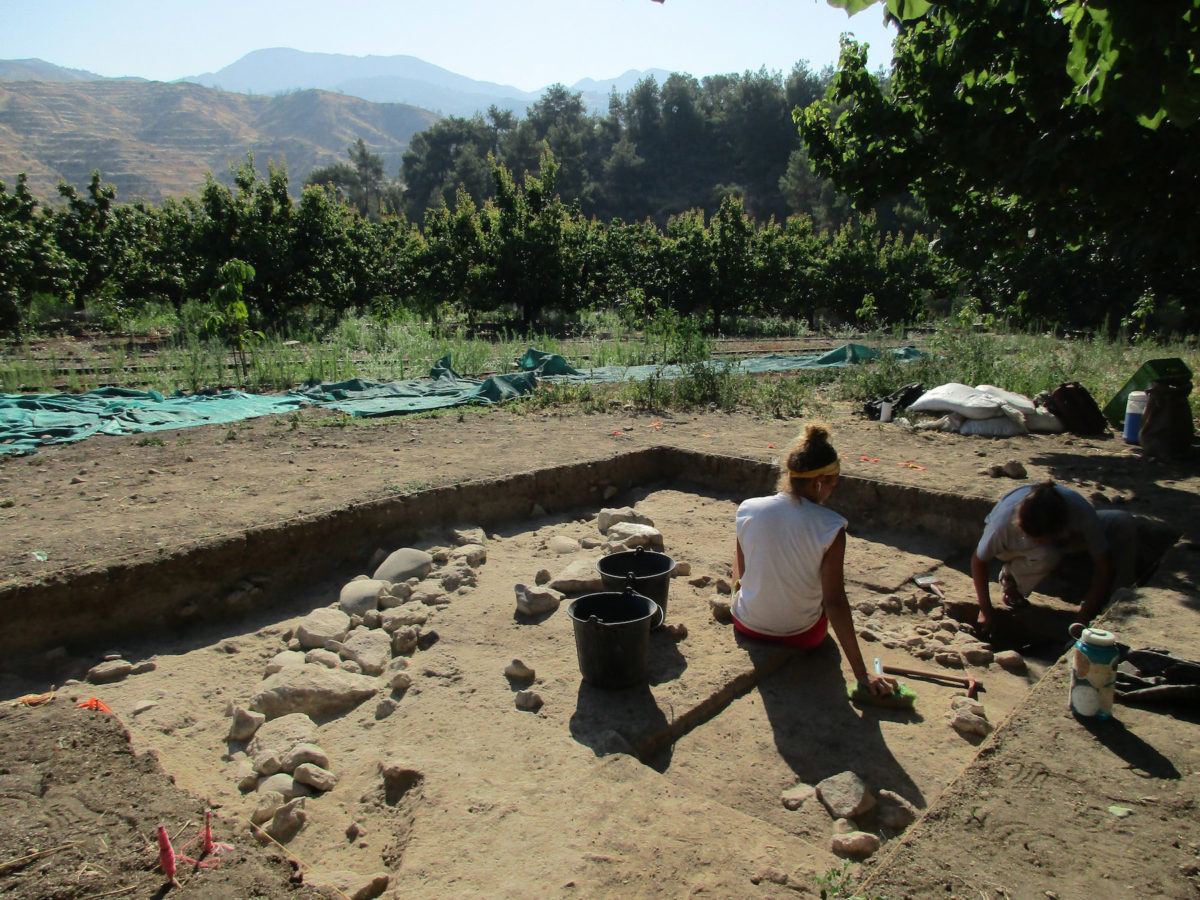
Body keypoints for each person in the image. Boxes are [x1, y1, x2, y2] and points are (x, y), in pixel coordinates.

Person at [731, 424, 896, 698]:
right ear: (818, 482)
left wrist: (738, 589)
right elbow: (834, 603)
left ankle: (744, 598)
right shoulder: (831, 527)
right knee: (820, 589)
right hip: (802, 636)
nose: (833, 489)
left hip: (747, 624)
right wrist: (862, 674)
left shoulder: (748, 508)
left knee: (747, 540)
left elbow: (743, 567)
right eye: (833, 482)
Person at [971, 480, 1137, 634]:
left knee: (1122, 521)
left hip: (1066, 537)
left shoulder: (1081, 513)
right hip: (1013, 547)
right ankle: (1012, 578)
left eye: (1041, 539)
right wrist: (985, 610)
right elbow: (978, 561)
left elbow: (1103, 567)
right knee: (1047, 554)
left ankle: (1117, 600)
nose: (1037, 541)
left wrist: (1082, 619)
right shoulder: (1003, 523)